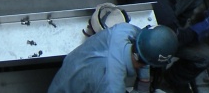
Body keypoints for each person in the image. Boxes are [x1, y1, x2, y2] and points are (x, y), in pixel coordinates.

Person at [48, 21, 178, 93]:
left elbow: (143, 46)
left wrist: (144, 81)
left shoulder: (123, 30)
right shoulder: (112, 85)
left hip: (70, 69)